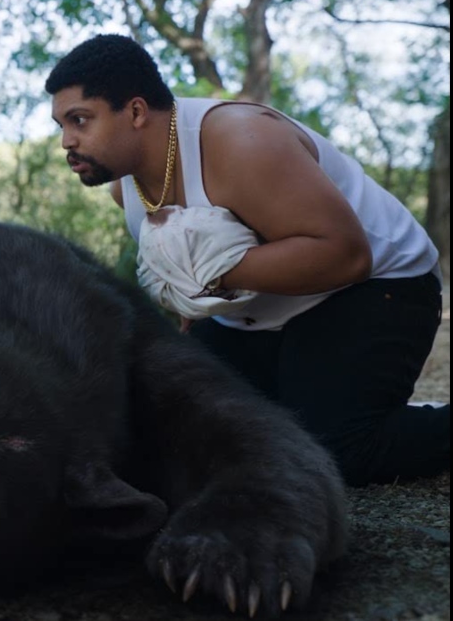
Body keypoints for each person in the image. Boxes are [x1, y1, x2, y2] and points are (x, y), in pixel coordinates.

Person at [45, 33, 447, 487]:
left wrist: (211, 272)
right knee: (168, 424)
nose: (66, 141)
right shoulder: (126, 187)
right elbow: (185, 276)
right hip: (256, 316)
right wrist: (188, 308)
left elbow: (346, 255)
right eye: (61, 125)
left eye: (80, 120)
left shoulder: (241, 140)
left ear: (136, 111)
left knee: (337, 450)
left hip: (375, 288)